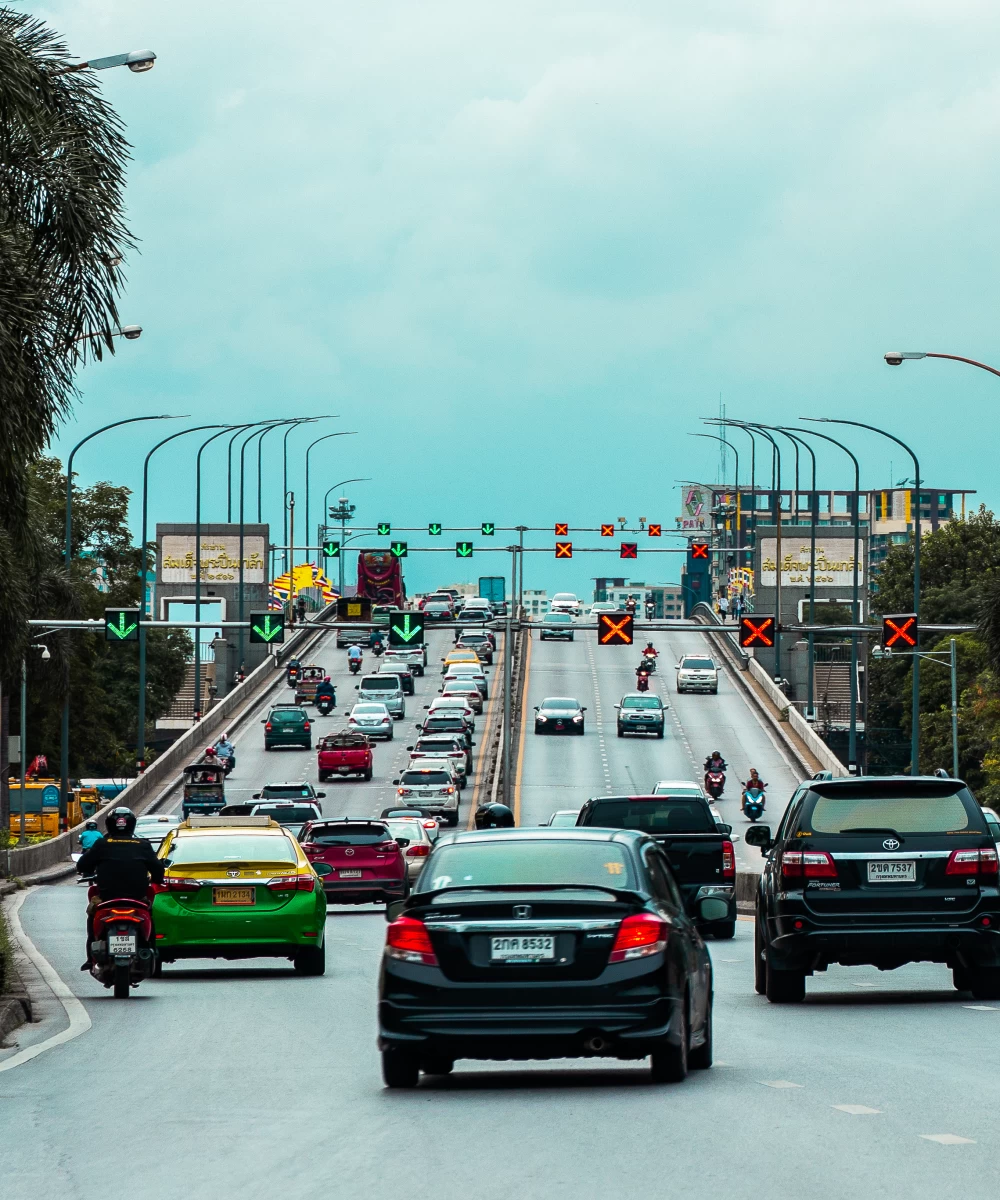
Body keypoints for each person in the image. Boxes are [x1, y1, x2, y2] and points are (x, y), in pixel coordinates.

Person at [77, 807, 165, 969]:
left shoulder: (102, 844)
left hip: (107, 899)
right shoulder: (143, 845)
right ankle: (152, 950)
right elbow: (158, 870)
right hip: (137, 899)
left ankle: (90, 957)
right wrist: (157, 879)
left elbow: (82, 865)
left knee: (92, 915)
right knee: (150, 915)